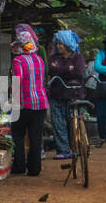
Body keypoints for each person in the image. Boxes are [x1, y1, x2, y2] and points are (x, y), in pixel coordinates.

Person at [9, 23, 48, 176]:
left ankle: (19, 167)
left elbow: (17, 81)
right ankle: (34, 168)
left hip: (24, 104)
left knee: (17, 133)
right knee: (35, 137)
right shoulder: (39, 60)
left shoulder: (18, 61)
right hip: (41, 103)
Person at [47, 31, 85, 160]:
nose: (58, 46)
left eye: (61, 43)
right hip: (56, 95)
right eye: (57, 43)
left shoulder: (78, 57)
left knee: (72, 122)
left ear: (68, 44)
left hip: (74, 95)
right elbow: (52, 71)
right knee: (58, 124)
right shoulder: (53, 58)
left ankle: (77, 146)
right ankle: (63, 150)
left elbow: (79, 72)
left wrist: (61, 71)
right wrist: (69, 69)